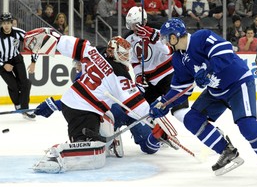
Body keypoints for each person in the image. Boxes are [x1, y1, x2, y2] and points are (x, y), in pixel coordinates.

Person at [149, 18, 257, 179]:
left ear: (174, 36)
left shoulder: (201, 37)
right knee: (192, 119)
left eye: (165, 38)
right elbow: (180, 89)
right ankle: (226, 151)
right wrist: (164, 104)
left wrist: (209, 71)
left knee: (246, 125)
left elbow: (225, 51)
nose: (165, 42)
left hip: (237, 82)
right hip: (216, 91)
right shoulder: (178, 59)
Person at [24, 31, 176, 173]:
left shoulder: (93, 51)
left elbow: (67, 43)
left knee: (105, 124)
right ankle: (58, 154)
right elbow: (139, 108)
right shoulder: (120, 76)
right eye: (122, 55)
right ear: (113, 52)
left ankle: (110, 140)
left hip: (79, 106)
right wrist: (156, 122)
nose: (125, 58)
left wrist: (54, 38)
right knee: (95, 154)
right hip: (85, 112)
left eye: (126, 55)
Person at [125, 6, 189, 122]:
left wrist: (153, 37)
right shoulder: (129, 39)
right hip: (149, 82)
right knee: (141, 112)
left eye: (135, 24)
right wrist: (139, 75)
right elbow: (134, 61)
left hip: (169, 76)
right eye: (130, 25)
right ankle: (157, 136)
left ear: (143, 22)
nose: (133, 28)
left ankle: (202, 126)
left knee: (179, 111)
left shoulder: (159, 30)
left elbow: (169, 50)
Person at [0, 12, 37, 120]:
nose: (6, 25)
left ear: (12, 23)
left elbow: (34, 45)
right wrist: (3, 65)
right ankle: (18, 104)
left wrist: (33, 62)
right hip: (2, 62)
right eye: (4, 23)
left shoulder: (19, 33)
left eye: (8, 23)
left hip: (16, 60)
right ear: (1, 24)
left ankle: (25, 109)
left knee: (25, 83)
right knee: (13, 86)